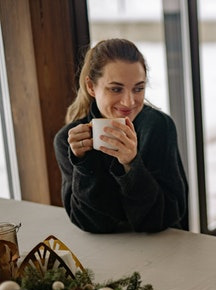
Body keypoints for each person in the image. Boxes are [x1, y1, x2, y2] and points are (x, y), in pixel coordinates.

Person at [54, 38, 188, 233]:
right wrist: (84, 166)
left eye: (138, 88)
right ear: (91, 87)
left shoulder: (159, 127)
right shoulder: (70, 141)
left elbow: (170, 215)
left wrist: (131, 164)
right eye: (116, 89)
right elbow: (89, 224)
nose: (128, 102)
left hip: (162, 250)